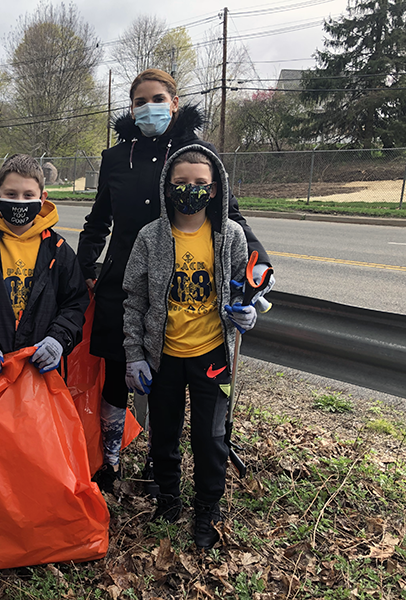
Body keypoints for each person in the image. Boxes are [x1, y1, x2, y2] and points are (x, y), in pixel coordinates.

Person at [76, 69, 274, 493]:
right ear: (131, 109)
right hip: (122, 285)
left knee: (164, 382)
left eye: (158, 99)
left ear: (175, 102)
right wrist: (85, 269)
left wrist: (259, 266)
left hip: (180, 286)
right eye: (140, 101)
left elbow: (230, 215)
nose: (150, 107)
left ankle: (158, 460)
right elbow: (98, 221)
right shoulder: (116, 158)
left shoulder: (197, 153)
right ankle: (109, 461)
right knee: (118, 373)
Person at [122, 144, 256, 549]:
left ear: (214, 189)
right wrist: (134, 354)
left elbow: (244, 288)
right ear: (167, 186)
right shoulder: (150, 238)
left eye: (200, 183)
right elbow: (134, 300)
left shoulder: (230, 236)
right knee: (164, 433)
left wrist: (248, 312)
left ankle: (207, 508)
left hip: (212, 355)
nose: (190, 190)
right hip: (162, 357)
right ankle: (168, 497)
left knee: (210, 438)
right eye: (181, 182)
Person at [0, 153, 88, 381]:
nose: (20, 201)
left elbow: (75, 304)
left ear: (42, 198)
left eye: (28, 195)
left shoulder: (59, 250)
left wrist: (58, 339)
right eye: (11, 194)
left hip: (41, 372)